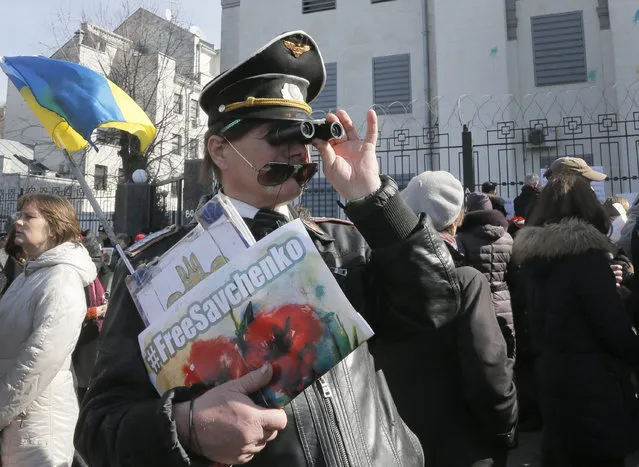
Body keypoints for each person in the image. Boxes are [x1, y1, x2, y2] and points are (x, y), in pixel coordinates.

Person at [75, 31, 460, 466]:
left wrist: (374, 200)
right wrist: (187, 426)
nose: (298, 151)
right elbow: (98, 430)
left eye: (306, 135)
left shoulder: (344, 242)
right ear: (220, 150)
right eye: (280, 136)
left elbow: (436, 307)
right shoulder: (158, 268)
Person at [391, 171, 517, 466]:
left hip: (399, 441)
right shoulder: (464, 279)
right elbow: (488, 368)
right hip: (464, 442)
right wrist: (506, 427)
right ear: (458, 216)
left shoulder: (380, 269)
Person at [511, 175, 639, 467]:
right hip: (595, 390)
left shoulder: (533, 260)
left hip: (553, 382)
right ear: (588, 208)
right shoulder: (587, 259)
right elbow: (613, 330)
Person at [0, 193, 97, 465]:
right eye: (19, 215)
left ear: (54, 228)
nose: (17, 222)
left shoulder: (61, 280)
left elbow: (38, 359)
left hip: (38, 424)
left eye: (29, 216)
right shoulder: (31, 275)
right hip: (17, 418)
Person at [457, 192, 514, 340]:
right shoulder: (507, 238)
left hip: (475, 300)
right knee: (506, 341)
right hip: (504, 299)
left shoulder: (462, 238)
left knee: (481, 344)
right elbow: (514, 271)